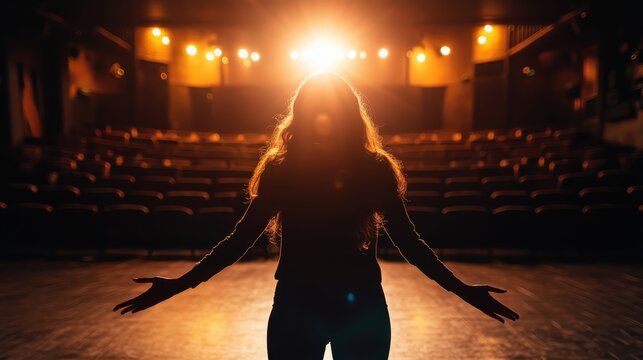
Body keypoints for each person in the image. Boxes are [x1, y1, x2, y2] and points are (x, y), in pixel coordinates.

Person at [113, 72, 519, 359]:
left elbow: (240, 240)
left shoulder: (287, 168)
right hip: (356, 303)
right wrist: (462, 289)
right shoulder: (369, 166)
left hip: (299, 301)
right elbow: (410, 244)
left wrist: (181, 284)